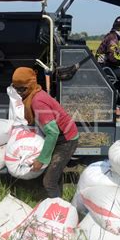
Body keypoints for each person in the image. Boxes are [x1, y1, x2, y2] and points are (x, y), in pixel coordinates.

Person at [11, 67, 79, 198]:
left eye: (22, 89)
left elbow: (52, 133)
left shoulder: (37, 101)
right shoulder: (34, 94)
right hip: (60, 137)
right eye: (16, 88)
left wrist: (42, 159)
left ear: (30, 85)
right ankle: (59, 201)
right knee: (53, 175)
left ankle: (58, 212)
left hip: (66, 140)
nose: (19, 92)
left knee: (49, 181)